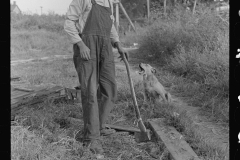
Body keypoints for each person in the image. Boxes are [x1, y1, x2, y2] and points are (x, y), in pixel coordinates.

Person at [64, 0, 129, 155]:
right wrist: (80, 44)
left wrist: (118, 43)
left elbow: (110, 25)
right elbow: (69, 22)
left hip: (106, 47)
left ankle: (97, 126)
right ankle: (91, 138)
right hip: (87, 46)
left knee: (110, 89)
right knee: (90, 92)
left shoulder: (109, 2)